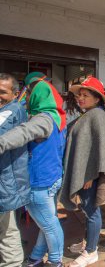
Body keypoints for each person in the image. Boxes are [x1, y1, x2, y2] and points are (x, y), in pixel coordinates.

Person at [0, 71, 67, 266]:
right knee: (46, 222)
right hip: (51, 177)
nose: (26, 97)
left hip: (40, 181)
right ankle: (37, 255)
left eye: (30, 93)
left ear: (38, 95)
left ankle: (55, 261)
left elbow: (23, 132)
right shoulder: (56, 116)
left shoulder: (43, 119)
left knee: (49, 224)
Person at [60, 76, 105, 266]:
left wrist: (89, 175)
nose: (80, 98)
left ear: (97, 98)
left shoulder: (98, 116)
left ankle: (91, 251)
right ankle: (88, 242)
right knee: (88, 212)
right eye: (80, 95)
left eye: (85, 95)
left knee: (91, 212)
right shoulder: (88, 114)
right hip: (86, 174)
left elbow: (103, 150)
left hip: (90, 176)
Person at [0, 73, 29, 267]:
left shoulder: (13, 111)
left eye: (3, 92)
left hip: (7, 182)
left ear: (15, 93)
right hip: (7, 182)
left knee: (8, 231)